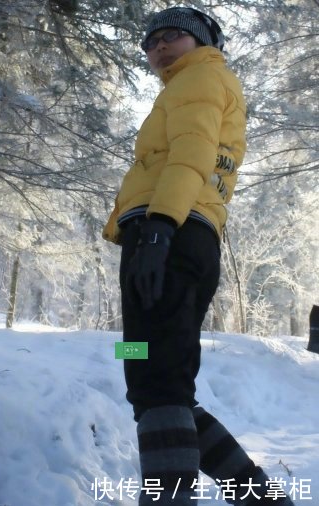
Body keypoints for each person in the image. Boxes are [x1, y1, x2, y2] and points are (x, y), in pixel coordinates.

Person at [103, 6, 294, 506]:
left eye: (171, 37)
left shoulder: (200, 79)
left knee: (159, 385)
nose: (158, 47)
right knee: (159, 378)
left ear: (201, 40)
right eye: (150, 42)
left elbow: (191, 153)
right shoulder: (195, 84)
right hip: (181, 236)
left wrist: (159, 229)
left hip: (169, 231)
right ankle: (260, 498)